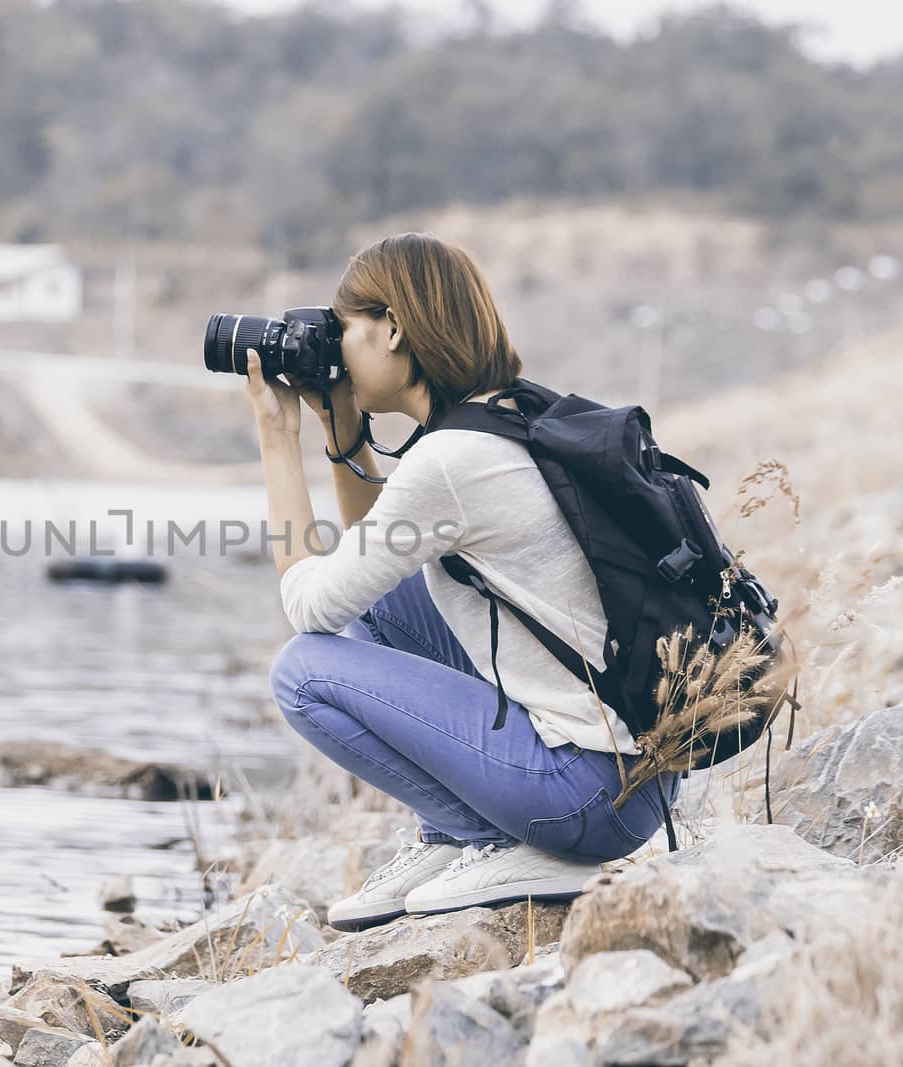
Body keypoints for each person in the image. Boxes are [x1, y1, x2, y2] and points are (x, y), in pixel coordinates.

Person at [245, 232, 681, 931]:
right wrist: (340, 426)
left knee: (301, 670)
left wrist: (275, 437)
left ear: (392, 327)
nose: (335, 347)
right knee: (385, 597)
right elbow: (370, 559)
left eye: (345, 327)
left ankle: (488, 837)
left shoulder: (449, 460)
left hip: (585, 797)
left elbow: (310, 605)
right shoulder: (508, 415)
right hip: (636, 782)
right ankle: (458, 838)